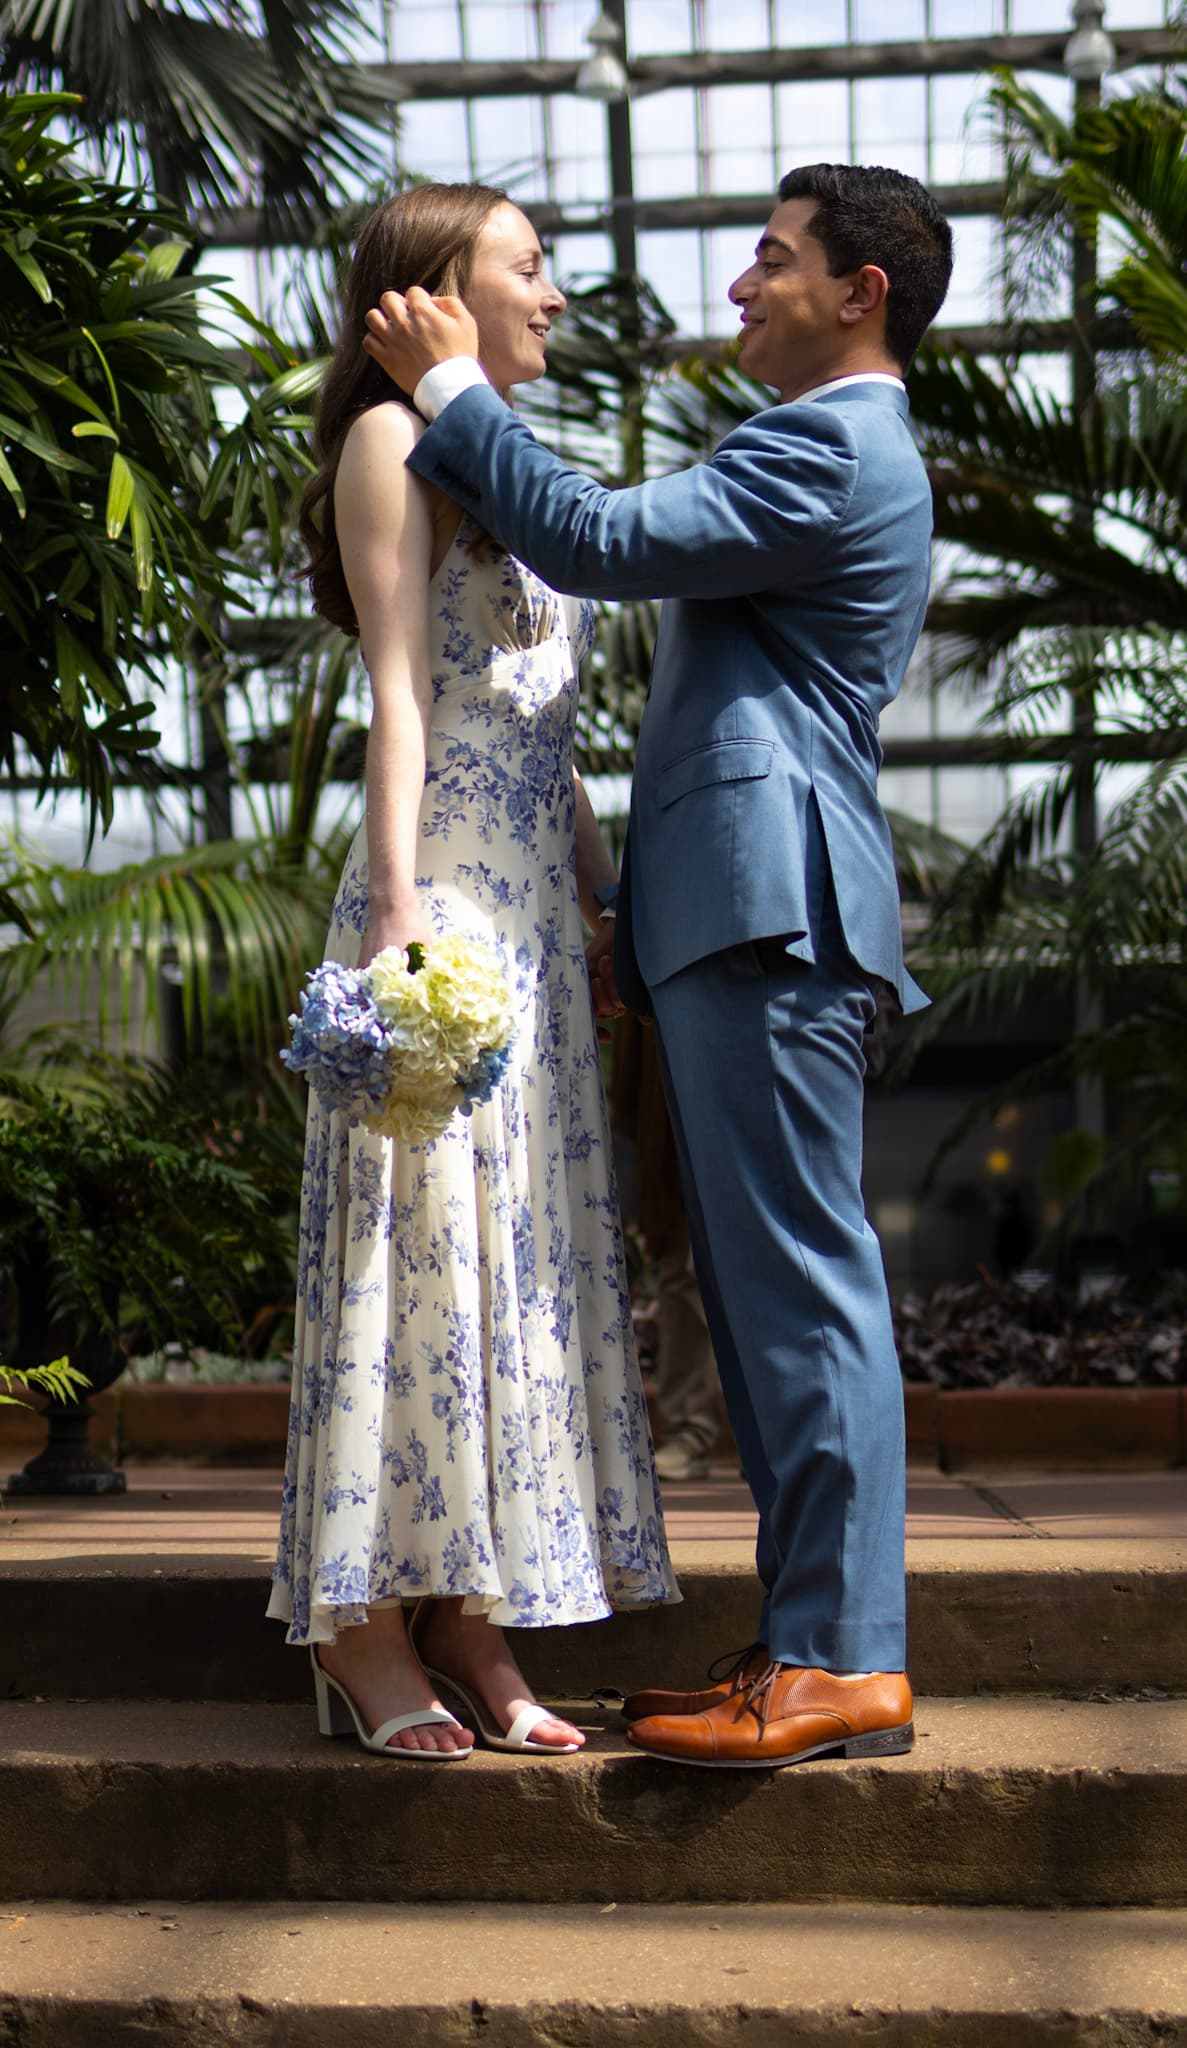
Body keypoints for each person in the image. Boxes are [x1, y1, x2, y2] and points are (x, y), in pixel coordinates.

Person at [361, 162, 954, 1770]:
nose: (742, 287)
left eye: (773, 261)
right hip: (726, 917)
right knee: (765, 1310)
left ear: (863, 292)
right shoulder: (823, 441)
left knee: (805, 1293)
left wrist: (457, 391)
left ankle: (844, 1655)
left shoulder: (835, 444)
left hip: (774, 912)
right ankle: (809, 1643)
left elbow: (606, 539)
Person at [267, 182, 679, 1761]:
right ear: (428, 292)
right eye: (527, 266)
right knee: (414, 1264)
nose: (556, 294)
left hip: (538, 944)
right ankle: (365, 1631)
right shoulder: (394, 443)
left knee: (512, 1276)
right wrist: (394, 919)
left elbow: (547, 735)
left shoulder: (510, 459)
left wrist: (607, 911)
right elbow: (401, 695)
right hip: (436, 918)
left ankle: (473, 1620)